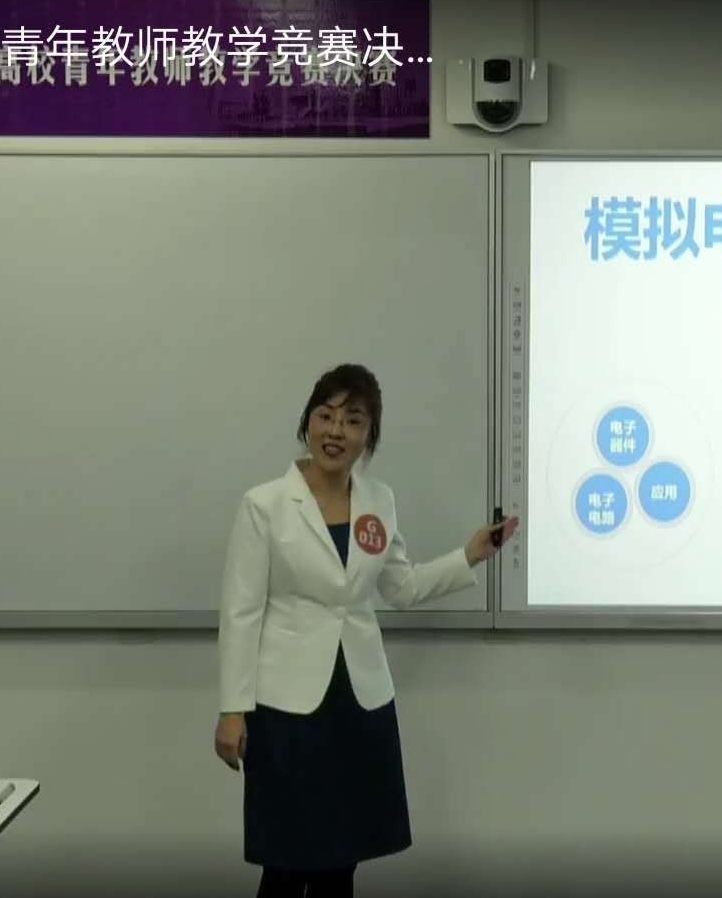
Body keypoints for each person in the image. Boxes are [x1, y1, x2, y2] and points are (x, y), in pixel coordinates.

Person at [213, 363, 519, 898]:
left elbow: (400, 587)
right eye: (326, 415)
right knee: (286, 860)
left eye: (353, 420)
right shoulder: (264, 504)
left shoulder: (379, 500)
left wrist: (470, 554)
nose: (336, 431)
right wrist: (232, 709)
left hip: (360, 701)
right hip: (286, 706)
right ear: (307, 422)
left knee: (342, 860)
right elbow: (241, 612)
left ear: (368, 436)